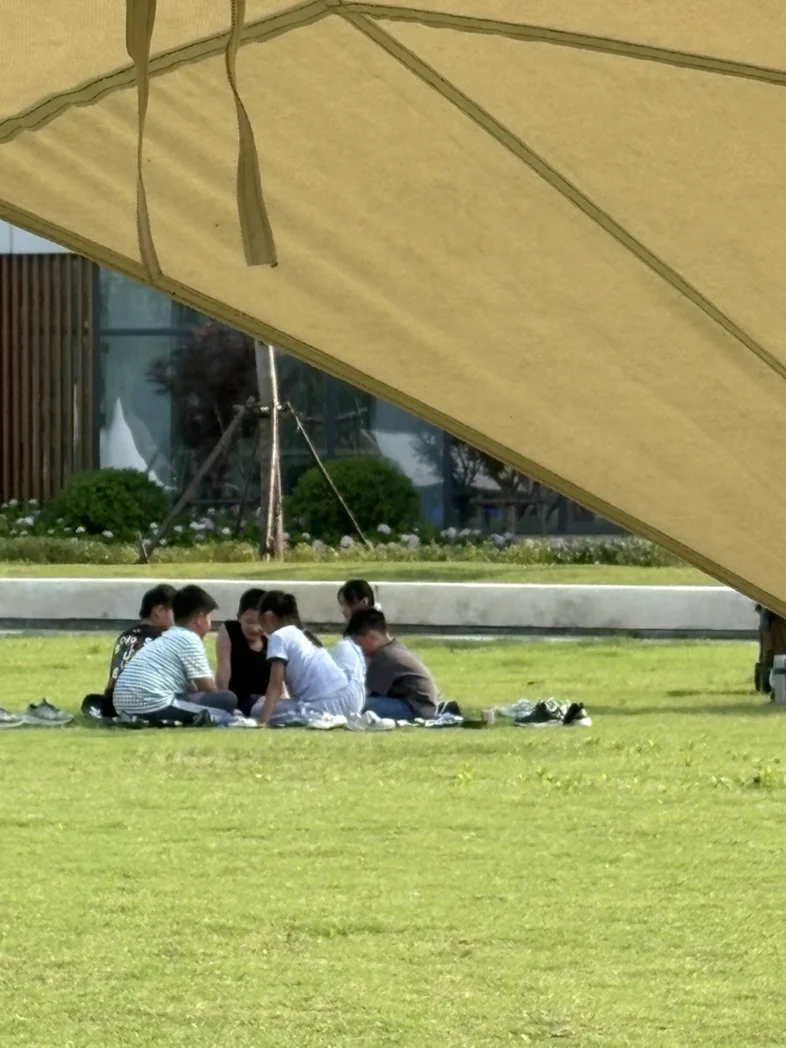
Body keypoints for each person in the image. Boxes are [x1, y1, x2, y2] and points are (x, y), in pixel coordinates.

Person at [113, 585, 243, 726]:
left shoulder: (168, 636)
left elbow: (190, 686)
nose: (210, 623)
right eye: (209, 617)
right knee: (228, 698)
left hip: (123, 705)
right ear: (200, 618)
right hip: (151, 705)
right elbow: (208, 687)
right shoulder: (189, 639)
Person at [250, 590, 365, 725]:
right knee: (266, 702)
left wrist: (262, 721)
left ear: (269, 617)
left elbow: (275, 685)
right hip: (349, 698)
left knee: (256, 710)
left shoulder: (279, 636)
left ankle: (327, 717)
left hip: (324, 706)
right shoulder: (303, 633)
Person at [81, 584, 176, 720]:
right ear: (159, 611)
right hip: (142, 703)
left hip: (111, 703)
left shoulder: (124, 637)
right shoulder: (162, 640)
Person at [346, 607, 438, 722]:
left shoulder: (384, 657)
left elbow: (364, 692)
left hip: (415, 709)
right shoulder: (393, 648)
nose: (358, 649)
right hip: (422, 706)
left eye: (359, 643)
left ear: (372, 637)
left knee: (355, 705)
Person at [215, 587, 270, 716]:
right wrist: (223, 701)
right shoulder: (230, 630)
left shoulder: (271, 641)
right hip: (236, 698)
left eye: (261, 623)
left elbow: (279, 680)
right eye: (250, 622)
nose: (256, 628)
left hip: (262, 700)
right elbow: (224, 668)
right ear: (239, 617)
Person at [332, 579, 376, 683]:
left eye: (346, 604)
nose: (343, 611)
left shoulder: (368, 634)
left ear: (364, 602)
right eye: (341, 605)